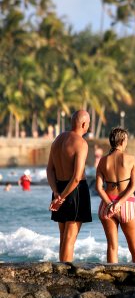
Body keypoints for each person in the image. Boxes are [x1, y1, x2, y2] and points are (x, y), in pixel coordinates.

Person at [46, 110, 92, 262]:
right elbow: (77, 177)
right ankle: (65, 273)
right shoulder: (81, 143)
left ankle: (61, 268)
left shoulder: (57, 140)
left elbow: (50, 170)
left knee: (63, 236)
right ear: (84, 124)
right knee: (70, 238)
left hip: (58, 188)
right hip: (74, 192)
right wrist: (63, 197)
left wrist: (56, 193)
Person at [96, 127, 135, 263]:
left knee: (112, 247)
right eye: (126, 140)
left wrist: (110, 203)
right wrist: (120, 203)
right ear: (122, 141)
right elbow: (134, 185)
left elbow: (98, 187)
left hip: (106, 206)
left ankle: (112, 279)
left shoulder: (103, 161)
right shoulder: (130, 159)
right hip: (126, 204)